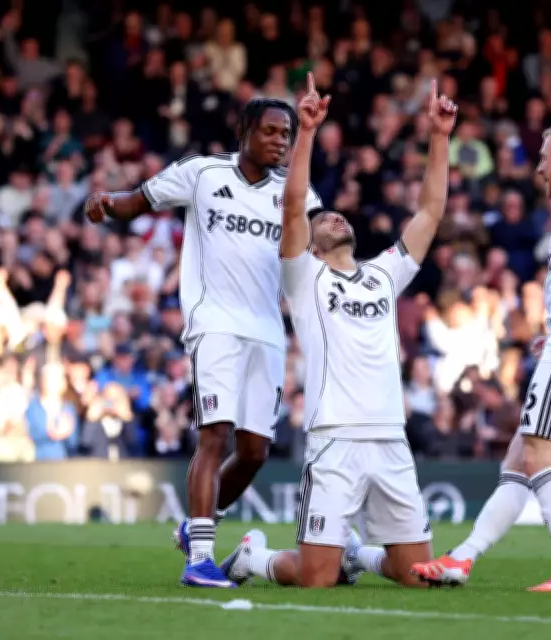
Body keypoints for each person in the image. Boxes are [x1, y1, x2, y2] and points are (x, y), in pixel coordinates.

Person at [216, 73, 458, 588]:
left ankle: (358, 556)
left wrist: (439, 139)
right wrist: (305, 132)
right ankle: (251, 557)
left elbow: (431, 210)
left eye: (338, 217)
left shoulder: (384, 273)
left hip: (391, 437)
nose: (335, 219)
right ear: (313, 241)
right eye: (323, 220)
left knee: (418, 577)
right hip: (334, 438)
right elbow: (292, 203)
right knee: (314, 580)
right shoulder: (305, 276)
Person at [83, 98, 322, 588]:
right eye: (271, 131)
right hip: (213, 321)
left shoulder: (295, 193)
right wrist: (107, 202)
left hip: (268, 330)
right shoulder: (202, 173)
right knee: (215, 435)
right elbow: (138, 201)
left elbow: (319, 248)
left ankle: (195, 528)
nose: (280, 140)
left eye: (287, 134)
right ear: (243, 131)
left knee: (255, 451)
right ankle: (200, 561)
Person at [411, 119, 551, 592]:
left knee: (538, 459)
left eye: (544, 157)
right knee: (518, 460)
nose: (538, 168)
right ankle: (462, 559)